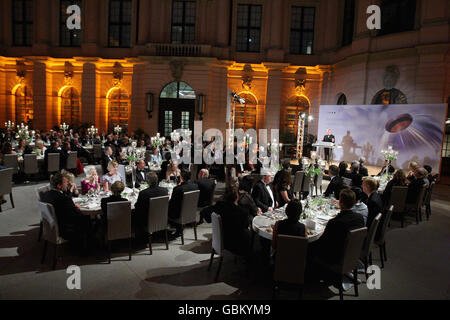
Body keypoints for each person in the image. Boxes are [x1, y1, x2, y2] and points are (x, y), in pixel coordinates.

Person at [307, 189, 365, 280]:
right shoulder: (360, 218)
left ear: (340, 203)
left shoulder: (335, 222)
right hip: (353, 253)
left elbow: (321, 243)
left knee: (309, 246)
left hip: (335, 257)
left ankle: (309, 277)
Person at [41, 173, 89, 242]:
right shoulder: (64, 199)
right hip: (66, 230)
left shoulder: (46, 194)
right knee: (87, 219)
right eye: (65, 182)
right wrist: (76, 208)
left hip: (52, 227)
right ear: (59, 186)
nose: (67, 184)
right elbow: (79, 215)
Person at [209, 187, 251, 256]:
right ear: (237, 197)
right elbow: (245, 227)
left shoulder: (219, 206)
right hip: (233, 244)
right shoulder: (242, 212)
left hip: (220, 240)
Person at [168, 169, 199, 237]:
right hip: (191, 213)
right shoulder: (195, 186)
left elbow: (172, 204)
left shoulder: (178, 189)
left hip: (179, 215)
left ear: (181, 177)